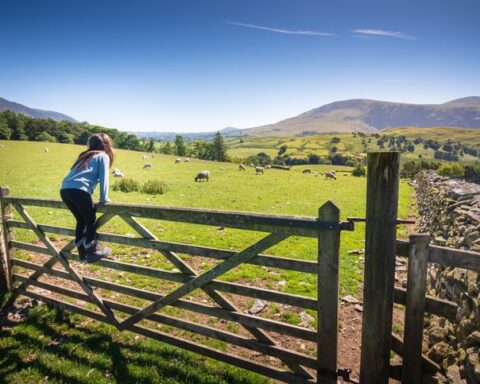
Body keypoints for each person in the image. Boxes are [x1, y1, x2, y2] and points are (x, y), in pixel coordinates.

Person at [60, 133, 114, 262]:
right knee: (90, 220)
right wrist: (104, 199)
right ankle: (92, 251)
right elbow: (104, 179)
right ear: (106, 144)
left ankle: (82, 253)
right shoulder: (103, 156)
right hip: (80, 190)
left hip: (64, 189)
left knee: (81, 220)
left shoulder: (84, 155)